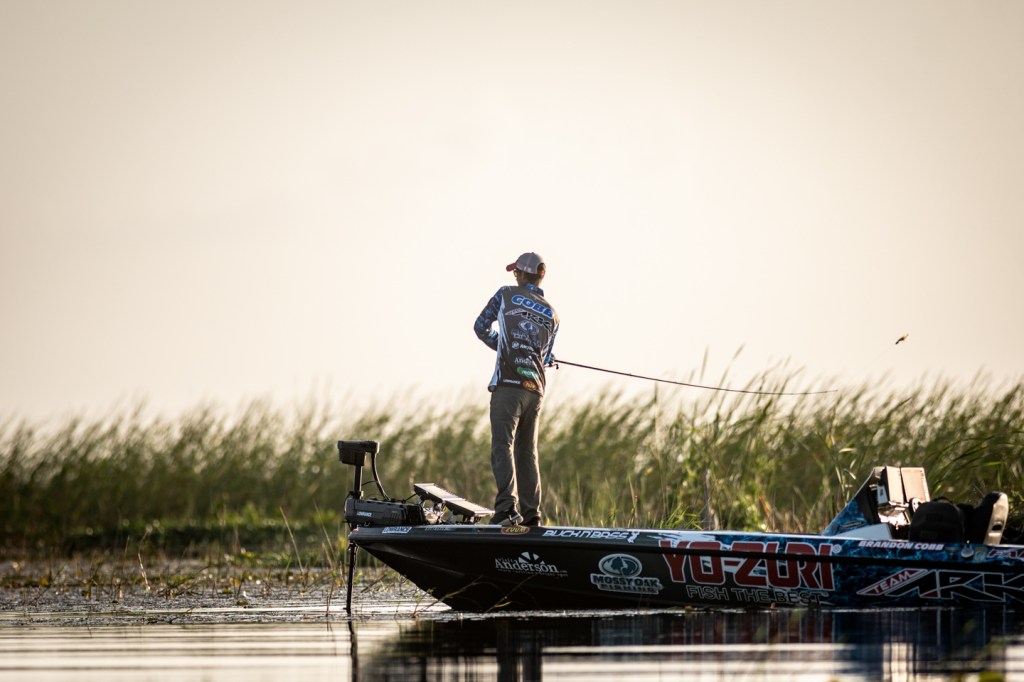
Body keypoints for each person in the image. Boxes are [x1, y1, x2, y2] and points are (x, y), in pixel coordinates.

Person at [473, 252, 559, 526]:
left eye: (516, 273)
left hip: (508, 385)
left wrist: (502, 343)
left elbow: (480, 327)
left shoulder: (505, 294)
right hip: (535, 390)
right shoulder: (553, 315)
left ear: (521, 275)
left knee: (503, 446)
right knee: (527, 452)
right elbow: (545, 357)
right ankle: (532, 515)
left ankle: (507, 509)